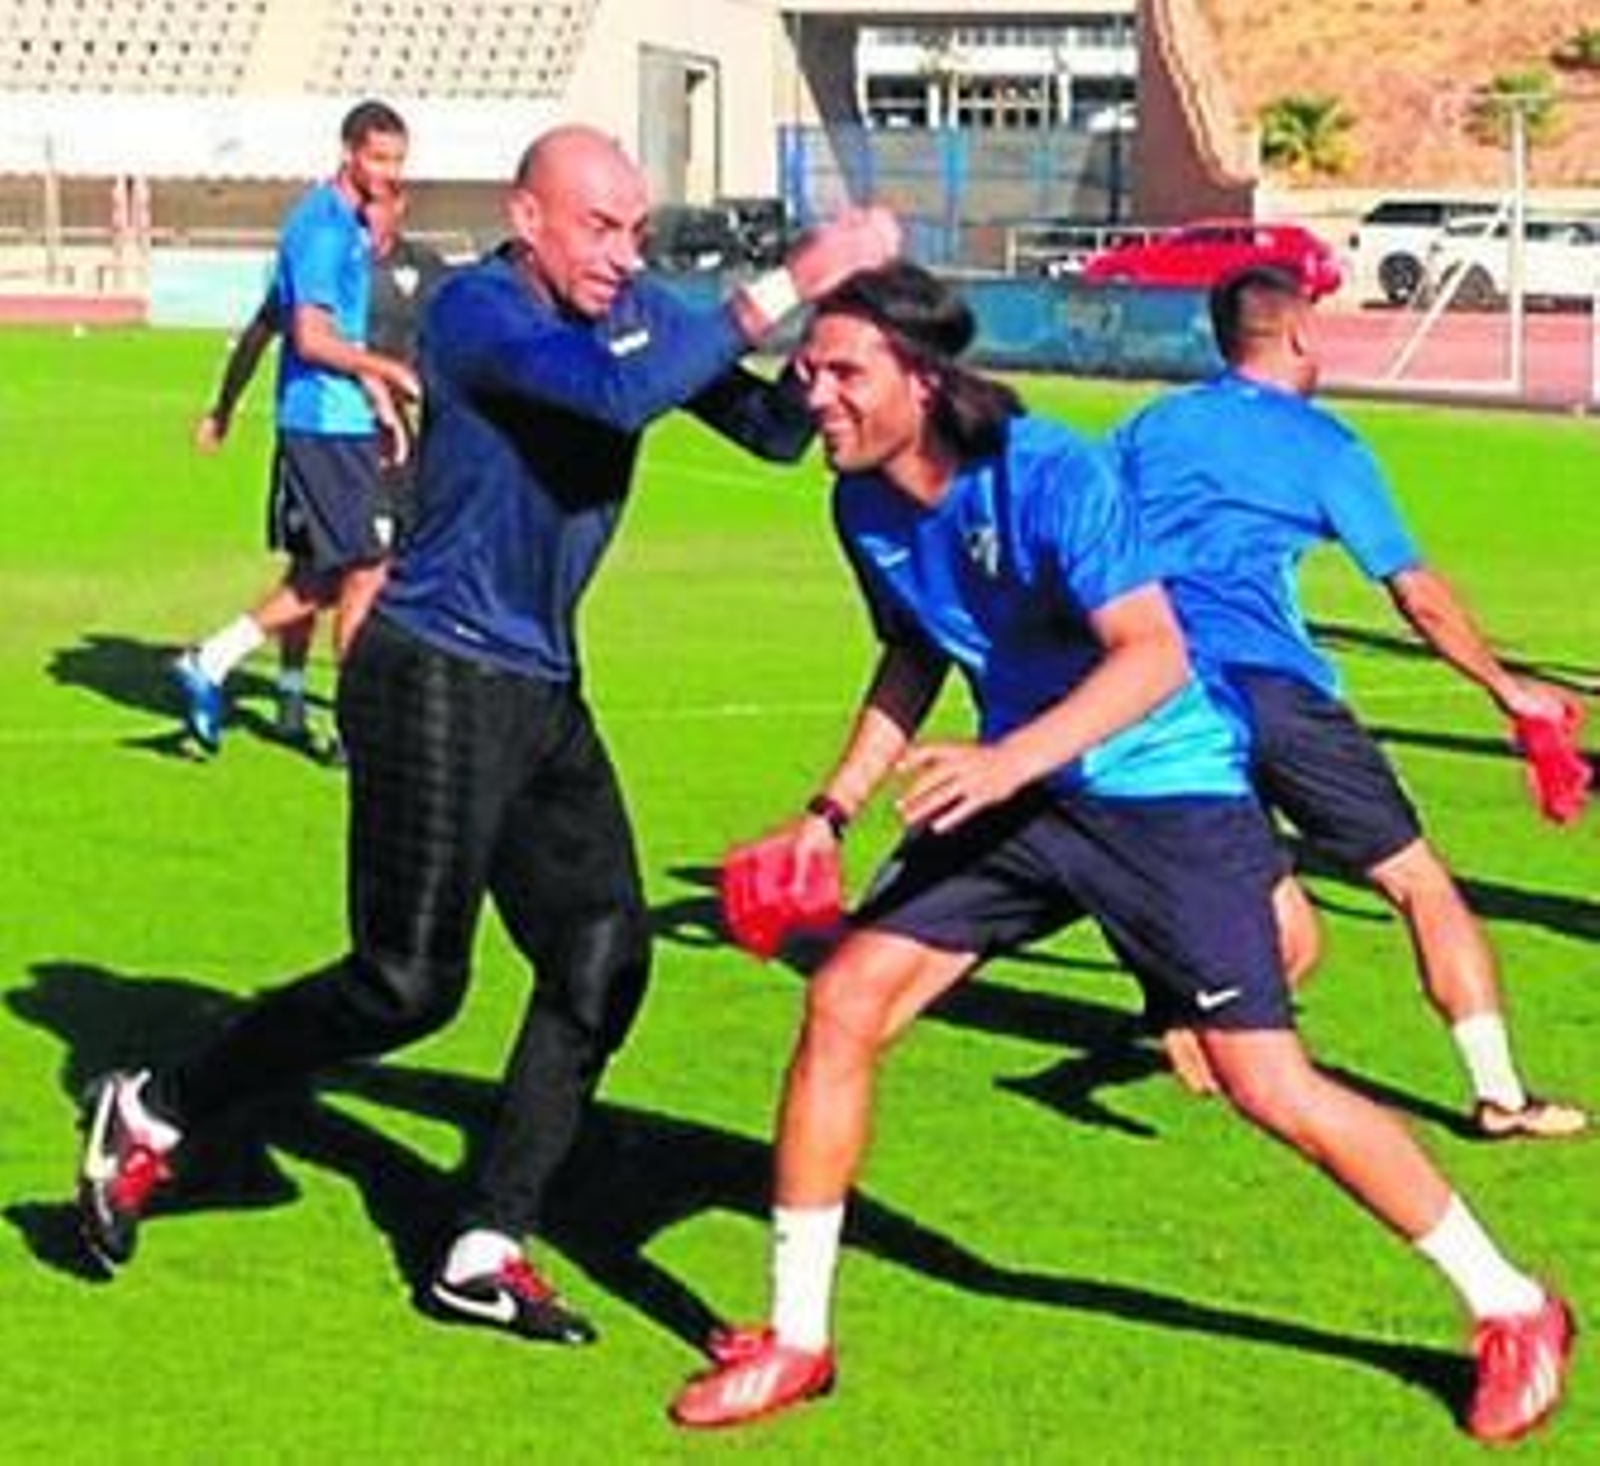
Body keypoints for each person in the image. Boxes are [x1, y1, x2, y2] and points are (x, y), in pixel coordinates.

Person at [667, 263, 1573, 1443]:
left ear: (922, 378)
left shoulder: (1048, 472)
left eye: (843, 370)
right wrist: (828, 809)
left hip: (1163, 794)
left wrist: (1005, 760)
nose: (814, 395)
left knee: (1266, 1082)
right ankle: (798, 1337)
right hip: (1024, 788)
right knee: (842, 1000)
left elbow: (1151, 652)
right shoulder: (861, 504)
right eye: (806, 369)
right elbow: (916, 650)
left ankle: (1512, 1305)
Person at [78, 125, 900, 1344]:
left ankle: (484, 1241)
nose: (623, 254)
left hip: (539, 689)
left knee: (603, 959)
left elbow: (773, 433)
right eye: (597, 227)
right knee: (405, 985)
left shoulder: (632, 307)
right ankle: (153, 1105)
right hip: (433, 671)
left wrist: (835, 338)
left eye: (635, 229)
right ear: (527, 219)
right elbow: (616, 392)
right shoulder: (476, 312)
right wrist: (797, 271)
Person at [1110, 264, 1586, 1138]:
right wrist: (1508, 689)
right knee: (1420, 885)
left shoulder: (1150, 428)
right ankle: (1500, 1094)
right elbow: (1418, 596)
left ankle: (1188, 1011)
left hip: (1160, 696)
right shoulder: (1323, 445)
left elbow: (1086, 550)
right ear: (1298, 333)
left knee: (1287, 932)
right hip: (1272, 690)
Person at [173, 99, 421, 755]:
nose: (390, 172)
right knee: (365, 570)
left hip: (339, 418)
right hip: (323, 424)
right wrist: (388, 373)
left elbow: (291, 326)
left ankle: (259, 685)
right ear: (349, 153)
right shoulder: (323, 230)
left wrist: (378, 401)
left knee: (323, 569)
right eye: (378, 158)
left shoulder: (343, 226)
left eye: (397, 160)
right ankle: (348, 724)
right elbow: (310, 339)